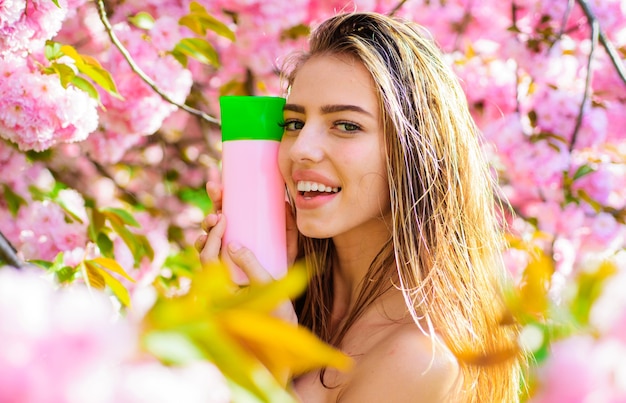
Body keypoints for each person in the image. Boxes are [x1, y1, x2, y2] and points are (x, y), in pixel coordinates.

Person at [196, 11, 524, 403]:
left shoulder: (416, 360)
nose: (301, 149)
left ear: (414, 153)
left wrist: (261, 371)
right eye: (294, 123)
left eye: (346, 125)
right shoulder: (293, 306)